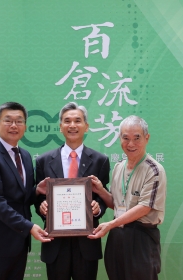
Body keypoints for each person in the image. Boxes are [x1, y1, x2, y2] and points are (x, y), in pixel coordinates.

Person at [0, 102, 52, 280]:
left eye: (19, 121)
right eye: (8, 121)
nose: (14, 125)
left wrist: (36, 190)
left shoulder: (24, 155)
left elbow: (21, 199)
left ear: (25, 126)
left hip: (19, 243)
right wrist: (29, 226)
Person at [35, 102, 110, 280]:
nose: (72, 125)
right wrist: (42, 207)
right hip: (55, 243)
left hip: (86, 243)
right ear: (60, 127)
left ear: (86, 127)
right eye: (67, 121)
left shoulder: (101, 160)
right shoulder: (43, 161)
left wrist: (98, 208)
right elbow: (37, 196)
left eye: (78, 121)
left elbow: (103, 194)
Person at [87, 115, 167, 280]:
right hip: (117, 237)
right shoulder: (118, 167)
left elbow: (145, 207)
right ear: (120, 138)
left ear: (147, 138)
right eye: (126, 138)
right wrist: (101, 191)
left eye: (137, 138)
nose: (131, 144)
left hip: (141, 237)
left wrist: (111, 224)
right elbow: (116, 204)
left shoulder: (154, 170)